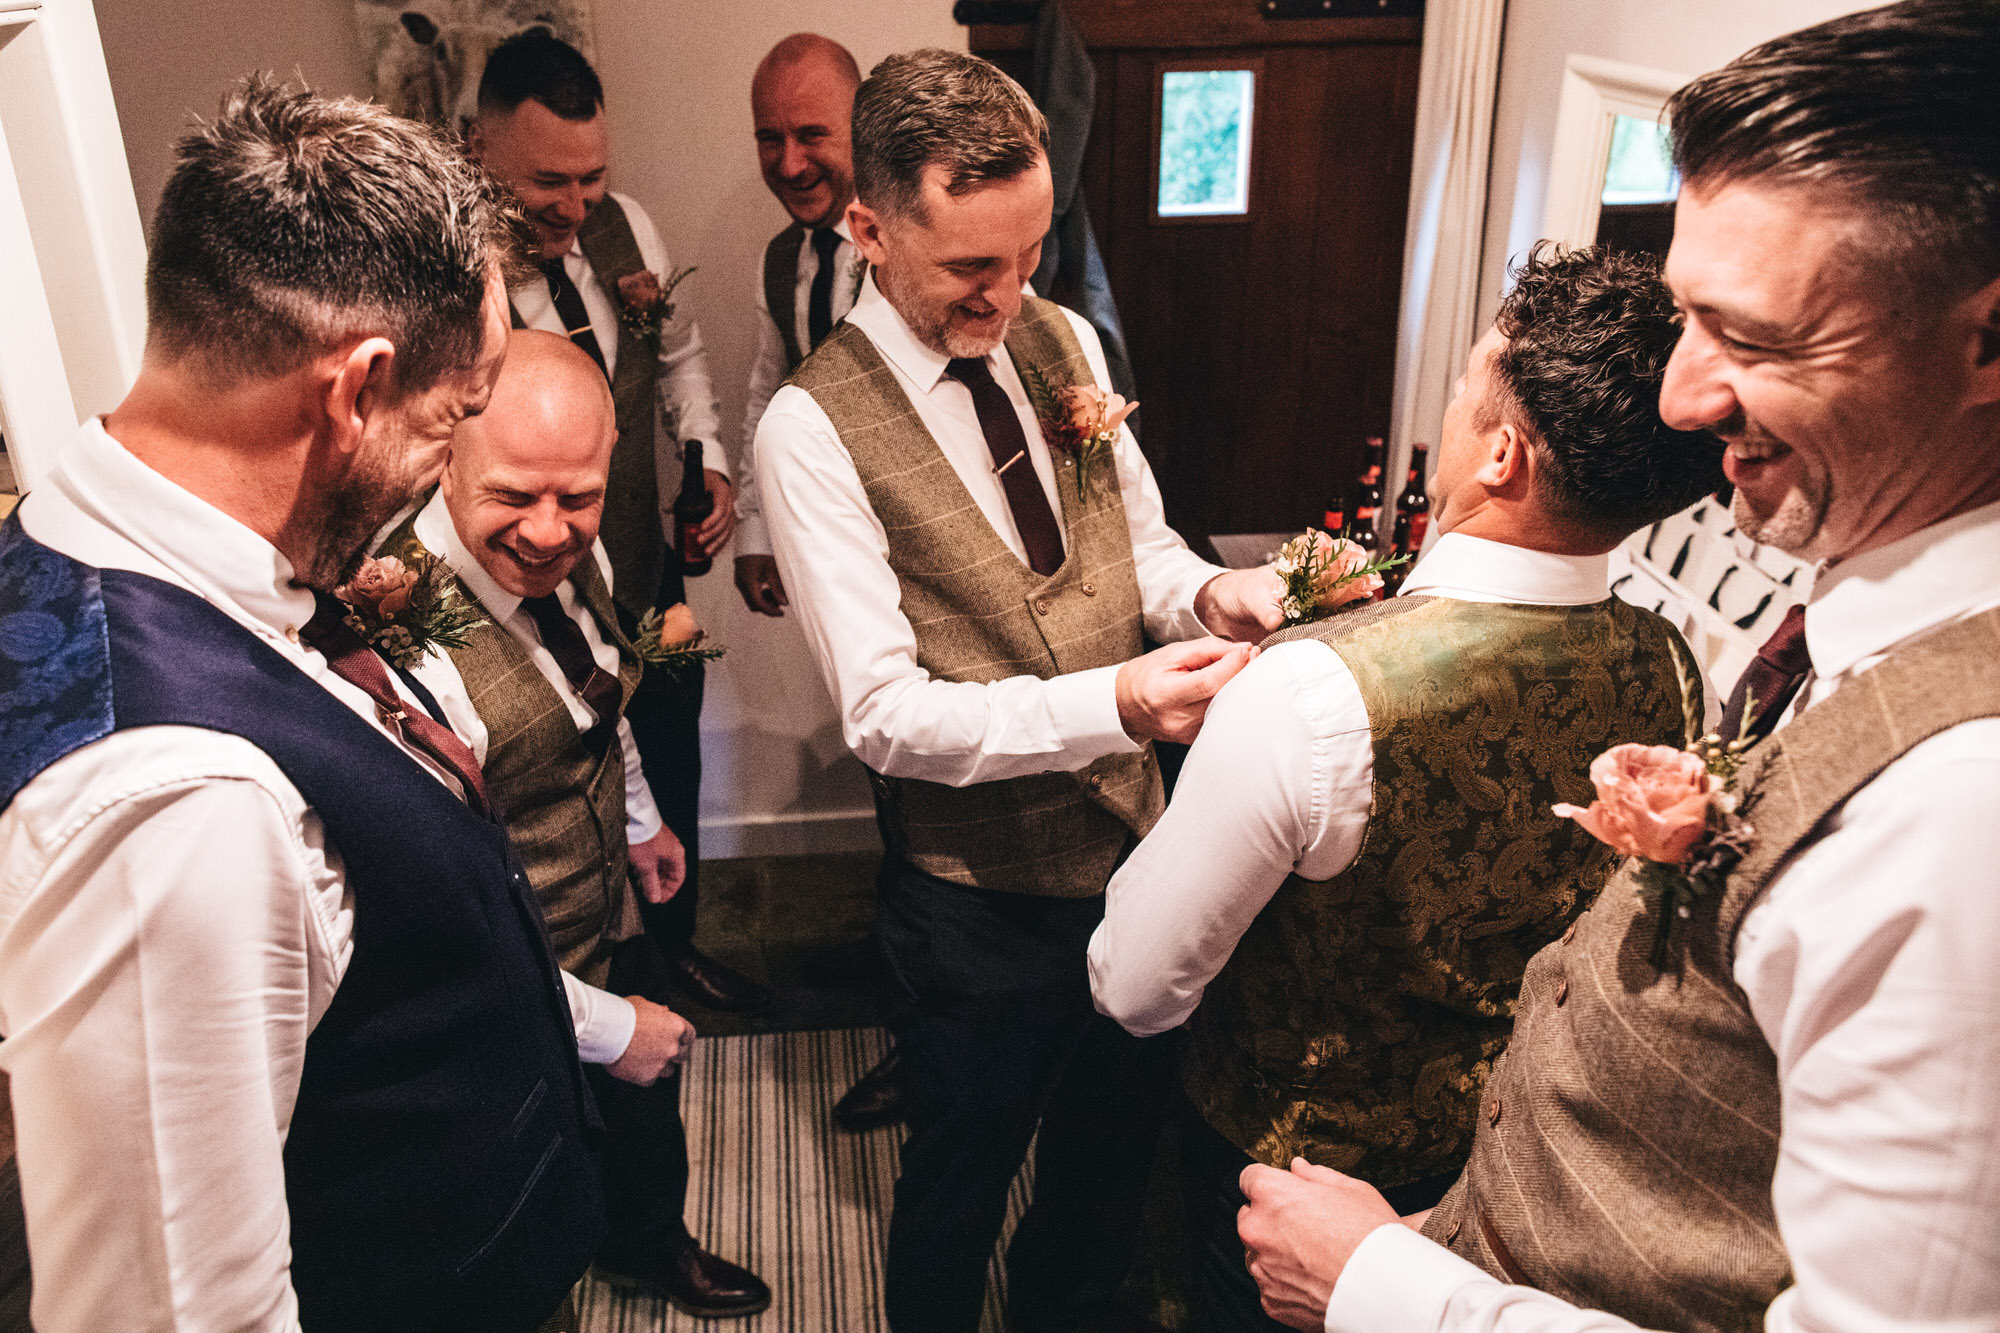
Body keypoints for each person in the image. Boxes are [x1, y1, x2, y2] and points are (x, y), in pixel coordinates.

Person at [1234, 4, 2000, 1331]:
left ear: (1986, 342)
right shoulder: (1846, 624)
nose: (1681, 401)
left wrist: (1387, 1289)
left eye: (1751, 338)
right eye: (1685, 318)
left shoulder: (1963, 815)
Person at [0, 80, 632, 1332]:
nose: (439, 473)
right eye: (452, 418)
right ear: (354, 392)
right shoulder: (180, 804)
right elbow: (182, 1308)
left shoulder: (104, 544)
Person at [1089, 244, 1721, 1333]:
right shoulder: (1667, 660)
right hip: (1509, 1159)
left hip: (1283, 1191)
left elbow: (1134, 985)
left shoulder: (1312, 694)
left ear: (1503, 456)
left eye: (1468, 382)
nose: (1451, 400)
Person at [756, 47, 1287, 1333]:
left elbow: (1143, 546)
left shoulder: (1060, 336)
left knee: (1108, 1161)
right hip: (975, 913)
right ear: (871, 230)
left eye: (1030, 253)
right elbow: (884, 716)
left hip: (1146, 858)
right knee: (958, 1181)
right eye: (970, 270)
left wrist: (1208, 598)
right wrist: (1118, 705)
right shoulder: (810, 430)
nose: (1010, 296)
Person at [382, 330, 770, 1317]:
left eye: (578, 497)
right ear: (445, 458)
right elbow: (430, 935)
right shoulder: (395, 642)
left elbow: (596, 696)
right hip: (510, 983)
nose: (552, 531)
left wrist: (640, 820)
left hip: (608, 921)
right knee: (527, 1191)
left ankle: (647, 1243)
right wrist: (602, 1032)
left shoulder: (567, 552)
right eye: (514, 497)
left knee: (644, 1124)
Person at [470, 29, 771, 1014]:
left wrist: (713, 464)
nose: (573, 205)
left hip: (649, 574)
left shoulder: (627, 228)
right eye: (547, 182)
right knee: (561, 790)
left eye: (590, 177)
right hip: (526, 605)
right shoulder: (445, 274)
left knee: (668, 746)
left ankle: (670, 952)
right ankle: (579, 992)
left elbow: (675, 356)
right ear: (478, 150)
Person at [736, 32, 864, 619]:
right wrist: (756, 528)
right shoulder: (778, 258)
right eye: (770, 139)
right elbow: (771, 393)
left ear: (861, 130)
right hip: (832, 550)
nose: (789, 164)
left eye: (812, 135)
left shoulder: (923, 242)